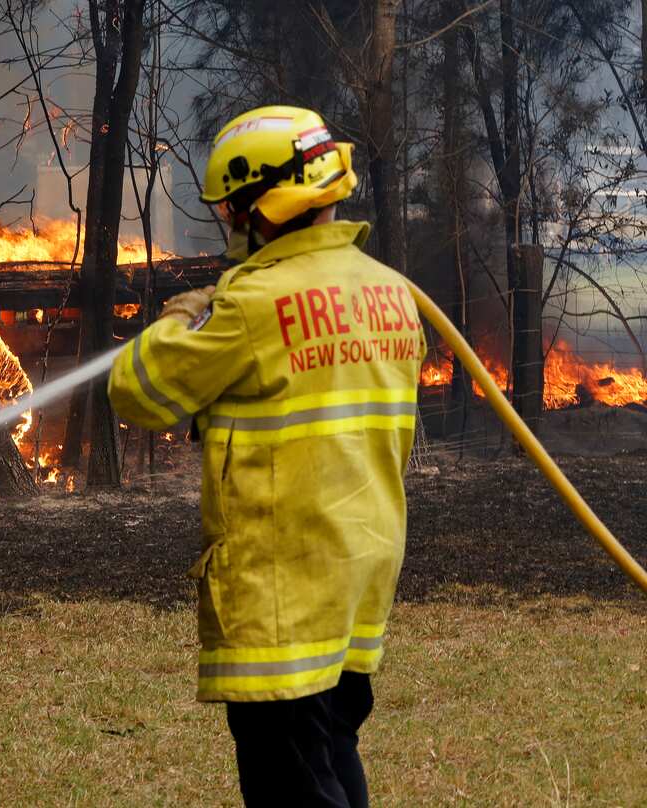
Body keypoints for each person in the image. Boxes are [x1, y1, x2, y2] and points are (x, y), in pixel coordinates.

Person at [107, 105, 424, 807]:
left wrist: (182, 314)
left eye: (229, 210)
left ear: (260, 205)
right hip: (361, 572)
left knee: (292, 783)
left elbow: (138, 392)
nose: (227, 224)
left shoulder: (249, 306)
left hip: (286, 588)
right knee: (332, 747)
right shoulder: (392, 294)